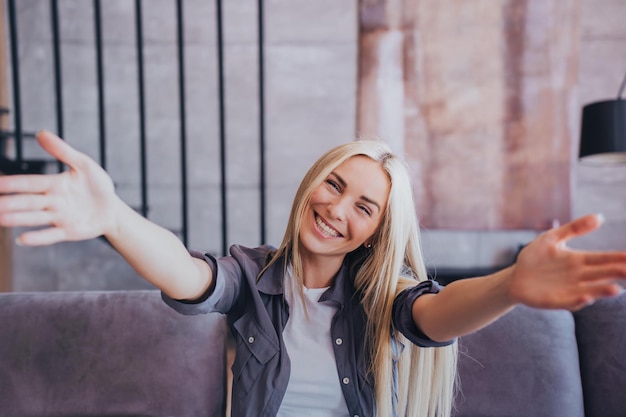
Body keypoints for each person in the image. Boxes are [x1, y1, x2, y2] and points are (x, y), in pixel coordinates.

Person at [1, 131, 625, 417]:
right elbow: (191, 278)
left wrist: (510, 285)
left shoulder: (385, 298)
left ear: (378, 229)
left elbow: (434, 316)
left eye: (364, 206)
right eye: (333, 183)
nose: (336, 209)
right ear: (310, 183)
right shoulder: (251, 274)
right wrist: (114, 217)